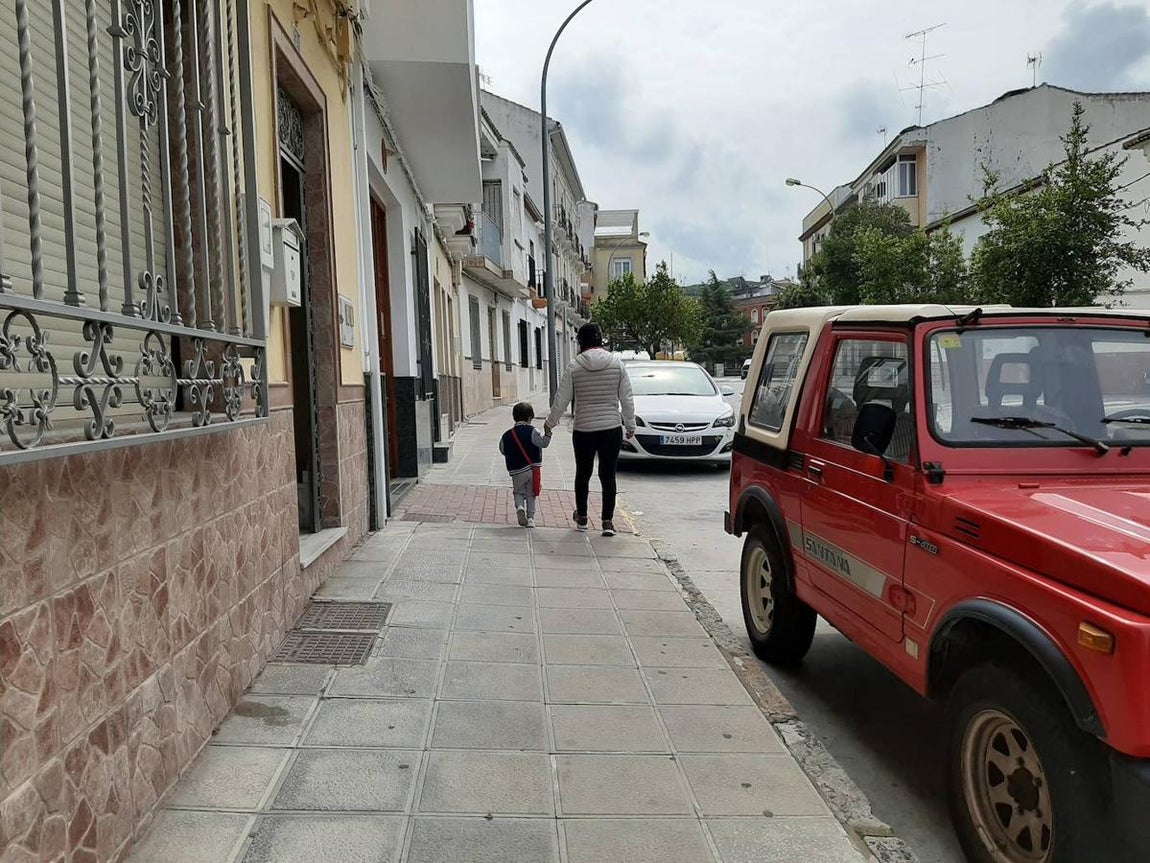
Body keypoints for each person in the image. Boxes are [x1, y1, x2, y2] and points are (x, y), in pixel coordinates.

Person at [545, 323, 636, 536]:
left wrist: (550, 422)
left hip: (584, 428)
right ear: (601, 339)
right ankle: (607, 522)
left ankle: (583, 518)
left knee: (583, 473)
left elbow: (562, 399)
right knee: (608, 475)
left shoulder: (574, 366)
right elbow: (627, 397)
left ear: (580, 342)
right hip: (611, 427)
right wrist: (630, 424)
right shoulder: (616, 364)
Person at [499, 402, 552, 528]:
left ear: (514, 417)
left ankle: (520, 507)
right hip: (532, 469)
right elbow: (543, 443)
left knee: (518, 492)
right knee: (531, 494)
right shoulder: (533, 431)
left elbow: (502, 449)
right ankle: (531, 519)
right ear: (530, 418)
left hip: (516, 470)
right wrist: (548, 433)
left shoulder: (507, 435)